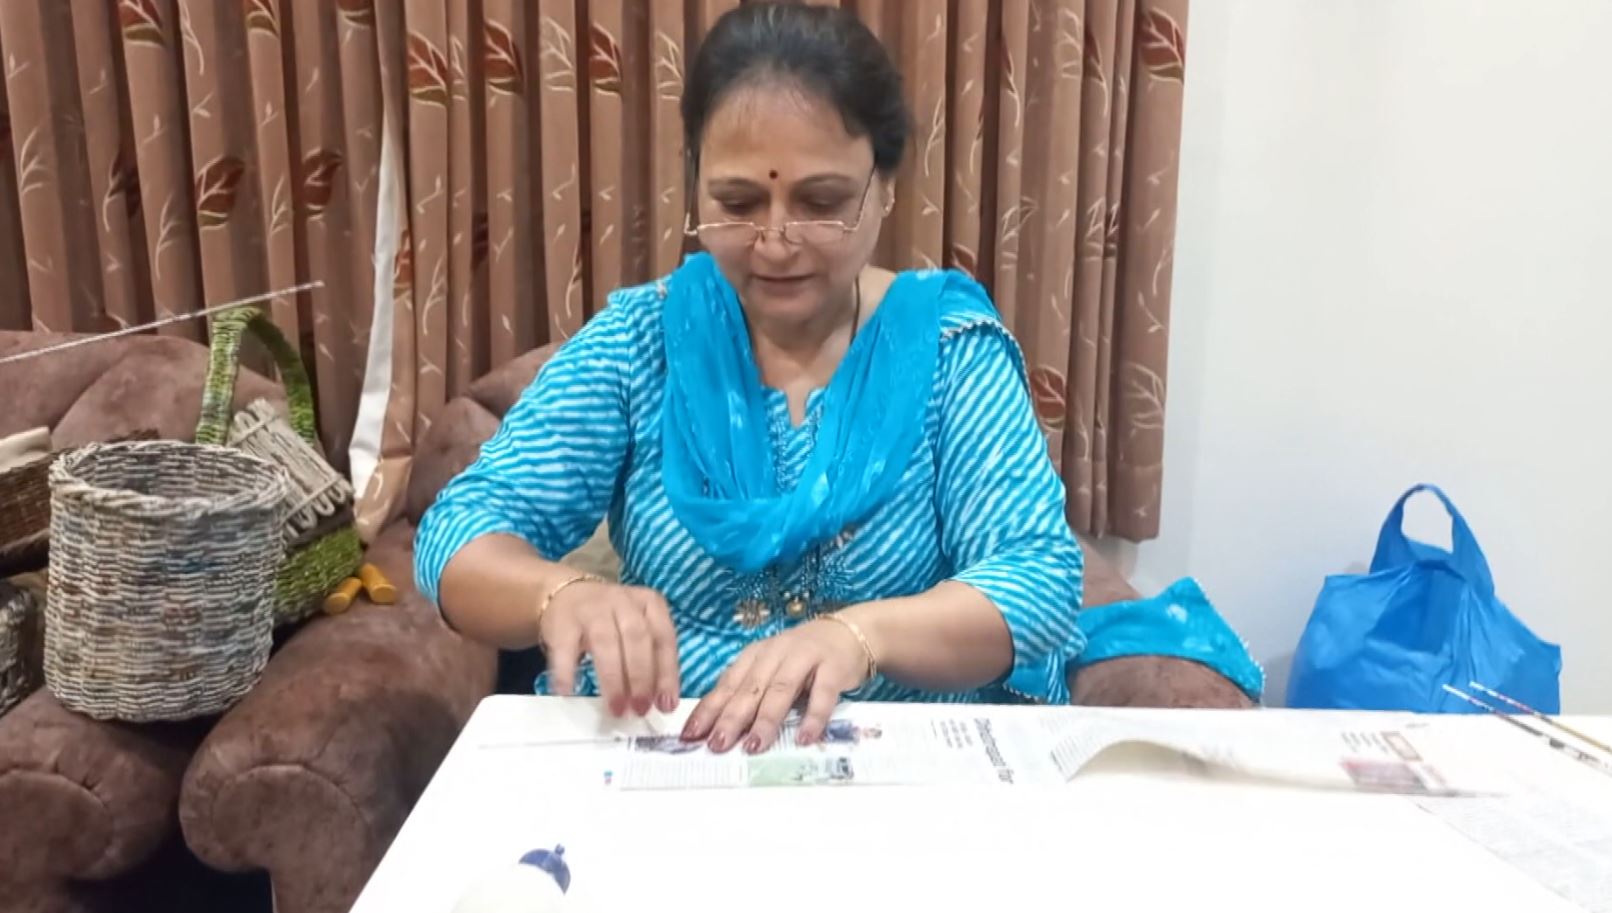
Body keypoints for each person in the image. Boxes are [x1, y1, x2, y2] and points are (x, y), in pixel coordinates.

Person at [416, 2, 1255, 758]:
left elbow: (1036, 580)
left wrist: (856, 636)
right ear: (693, 184)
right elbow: (459, 530)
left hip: (904, 760)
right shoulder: (643, 343)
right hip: (674, 757)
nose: (777, 241)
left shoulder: (948, 351)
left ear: (884, 189)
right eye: (738, 202)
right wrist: (560, 592)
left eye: (821, 201)